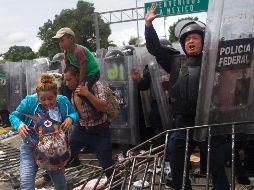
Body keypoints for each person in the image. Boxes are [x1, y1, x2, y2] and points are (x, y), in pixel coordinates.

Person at [145, 4, 230, 190]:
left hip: (209, 121)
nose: (190, 41)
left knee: (216, 166)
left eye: (195, 38)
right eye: (187, 39)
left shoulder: (214, 61)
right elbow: (154, 48)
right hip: (183, 123)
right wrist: (149, 26)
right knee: (176, 164)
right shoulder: (175, 62)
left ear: (203, 41)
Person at [9, 73, 79, 190]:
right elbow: (13, 116)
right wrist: (19, 125)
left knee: (61, 185)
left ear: (56, 95)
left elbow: (74, 113)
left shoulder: (63, 101)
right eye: (42, 99)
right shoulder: (29, 101)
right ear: (37, 97)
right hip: (30, 147)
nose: (47, 102)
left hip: (53, 150)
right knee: (26, 185)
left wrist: (70, 118)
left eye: (51, 98)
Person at [64, 65, 115, 179]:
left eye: (69, 79)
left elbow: (104, 107)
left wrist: (87, 94)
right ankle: (48, 177)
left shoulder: (95, 85)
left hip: (100, 131)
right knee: (65, 154)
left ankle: (117, 186)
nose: (67, 83)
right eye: (65, 80)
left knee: (108, 166)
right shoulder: (70, 90)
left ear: (78, 76)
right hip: (81, 129)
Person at [52, 27, 102, 119]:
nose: (60, 44)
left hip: (92, 73)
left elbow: (83, 66)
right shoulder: (66, 52)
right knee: (64, 86)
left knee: (80, 90)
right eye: (59, 42)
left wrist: (80, 82)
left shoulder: (78, 51)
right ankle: (68, 108)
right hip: (81, 73)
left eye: (62, 40)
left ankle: (96, 109)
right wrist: (64, 77)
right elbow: (68, 66)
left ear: (71, 38)